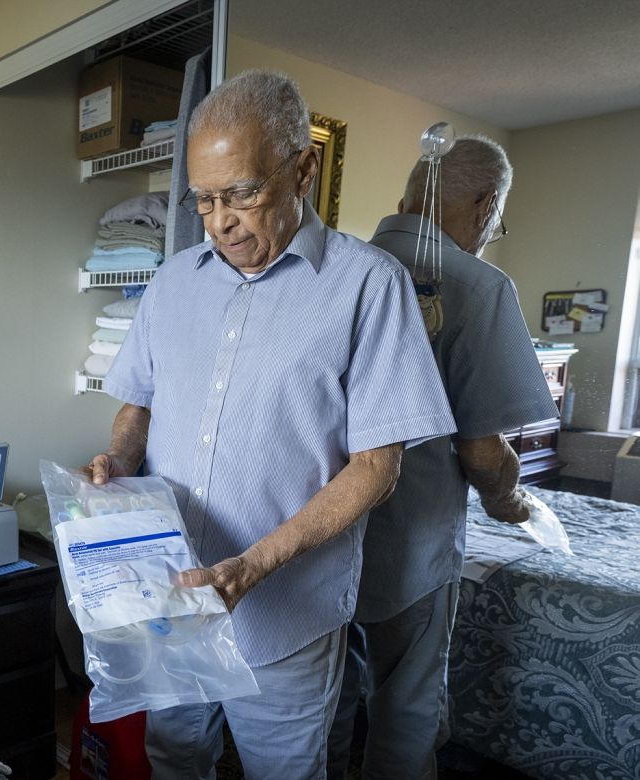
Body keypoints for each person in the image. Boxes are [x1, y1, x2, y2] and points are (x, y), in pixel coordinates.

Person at [85, 69, 457, 779]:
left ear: (303, 168)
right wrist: (116, 463)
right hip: (175, 601)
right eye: (202, 200)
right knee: (174, 761)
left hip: (288, 614)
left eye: (242, 193)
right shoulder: (172, 283)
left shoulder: (369, 286)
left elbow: (378, 467)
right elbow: (138, 403)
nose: (220, 220)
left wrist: (252, 566)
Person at [327, 136, 558, 779]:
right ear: (486, 206)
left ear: (405, 197)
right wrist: (510, 501)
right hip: (410, 543)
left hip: (319, 531)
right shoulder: (475, 285)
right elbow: (485, 452)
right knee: (406, 705)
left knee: (328, 694)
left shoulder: (335, 267)